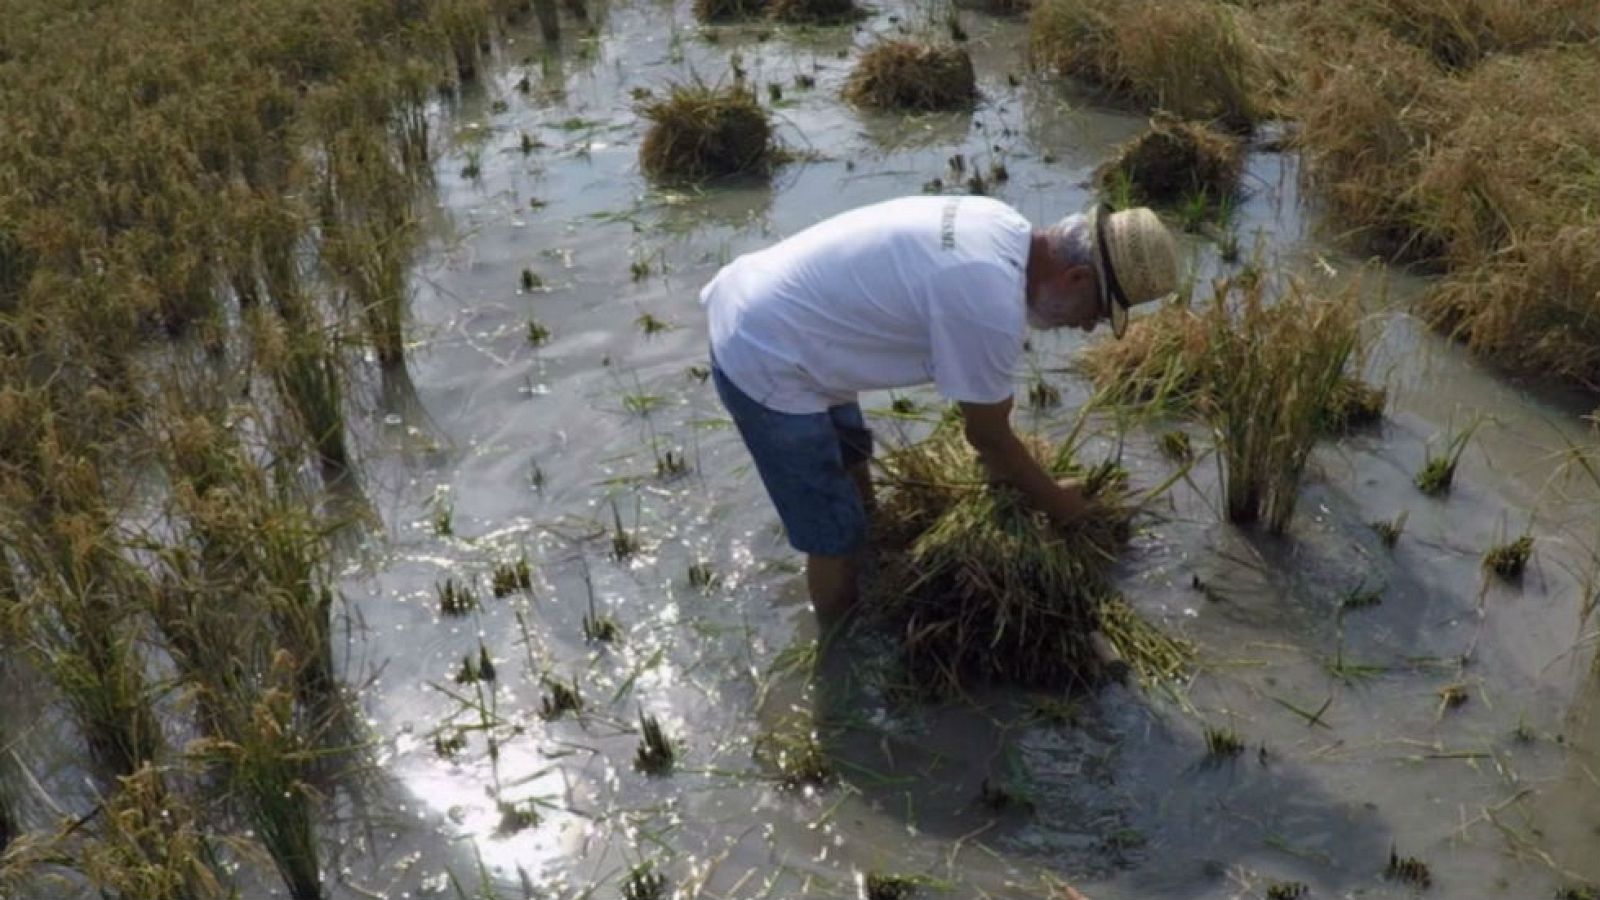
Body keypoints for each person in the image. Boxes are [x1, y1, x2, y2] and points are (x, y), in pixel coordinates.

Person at [701, 195, 1179, 623]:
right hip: (764, 351)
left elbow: (991, 435)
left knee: (851, 460)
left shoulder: (1000, 224)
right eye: (1098, 311)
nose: (1089, 328)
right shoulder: (988, 300)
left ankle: (869, 570)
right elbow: (988, 437)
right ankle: (840, 652)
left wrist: (1022, 481)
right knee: (833, 535)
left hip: (783, 306)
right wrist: (1062, 506)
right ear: (1076, 278)